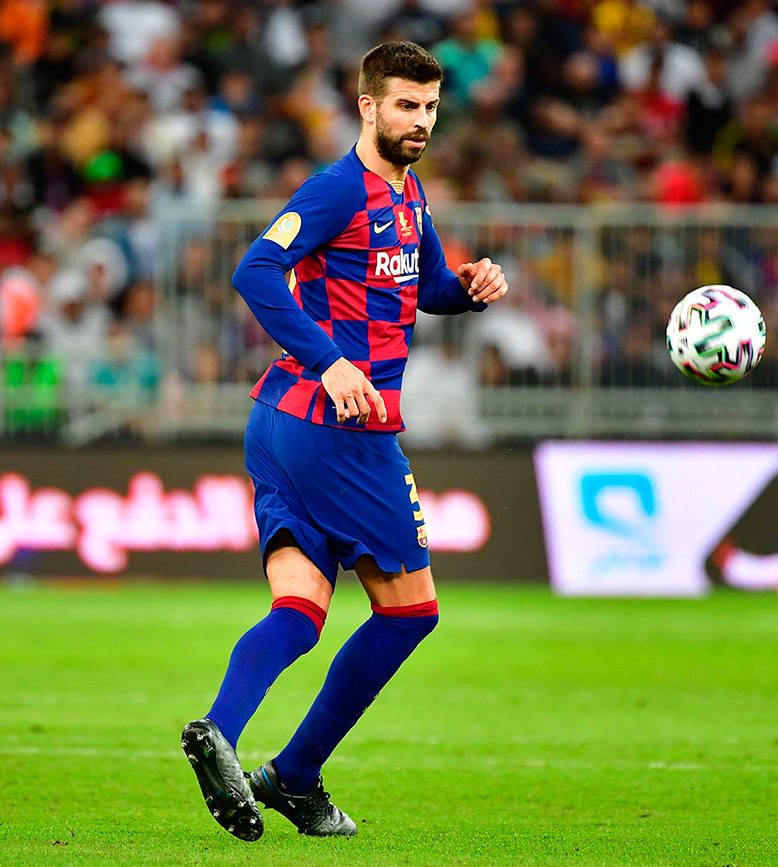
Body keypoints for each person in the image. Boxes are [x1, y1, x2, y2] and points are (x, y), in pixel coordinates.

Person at [180, 41, 508, 842]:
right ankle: (294, 775)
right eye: (406, 105)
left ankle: (220, 730)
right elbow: (256, 271)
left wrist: (467, 289)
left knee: (300, 608)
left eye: (430, 108)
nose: (421, 121)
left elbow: (425, 287)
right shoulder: (337, 189)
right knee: (410, 611)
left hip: (280, 423)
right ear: (367, 106)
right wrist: (331, 362)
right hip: (342, 430)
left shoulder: (410, 192)